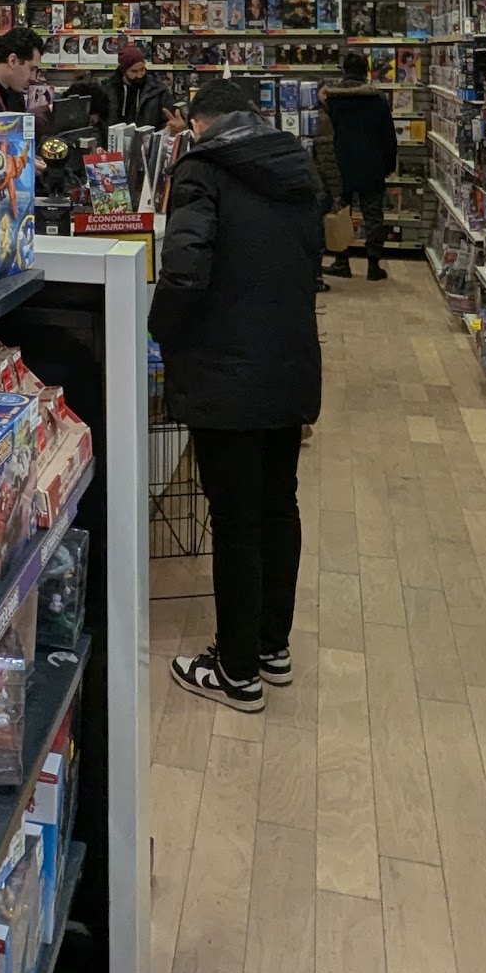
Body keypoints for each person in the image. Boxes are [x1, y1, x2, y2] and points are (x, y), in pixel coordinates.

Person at [149, 78, 324, 712]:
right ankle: (272, 648)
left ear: (199, 123)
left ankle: (236, 670)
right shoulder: (297, 165)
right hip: (289, 360)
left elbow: (184, 270)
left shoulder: (201, 171)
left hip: (225, 371)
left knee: (234, 519)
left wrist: (161, 331)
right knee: (279, 506)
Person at [321, 48, 399, 281]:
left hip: (341, 163)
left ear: (344, 70)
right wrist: (389, 164)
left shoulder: (332, 99)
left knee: (340, 212)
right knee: (373, 214)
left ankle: (341, 261)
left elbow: (326, 135)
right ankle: (373, 265)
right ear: (366, 71)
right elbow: (388, 136)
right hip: (372, 164)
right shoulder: (377, 99)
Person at [95, 42, 165, 131]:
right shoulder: (107, 90)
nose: (140, 75)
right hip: (114, 138)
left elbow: (167, 120)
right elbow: (98, 125)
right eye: (134, 71)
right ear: (123, 71)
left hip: (148, 138)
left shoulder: (158, 89)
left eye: (142, 69)